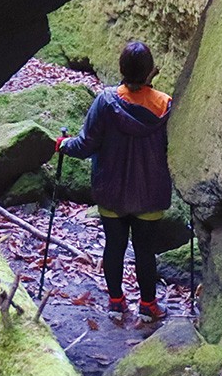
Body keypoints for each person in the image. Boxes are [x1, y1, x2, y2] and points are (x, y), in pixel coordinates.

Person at [57, 41, 173, 322]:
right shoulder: (165, 105)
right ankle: (148, 306)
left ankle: (116, 303)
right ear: (150, 72)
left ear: (121, 68)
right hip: (150, 192)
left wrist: (62, 144)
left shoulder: (105, 102)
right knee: (146, 251)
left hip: (112, 191)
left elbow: (85, 145)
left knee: (114, 246)